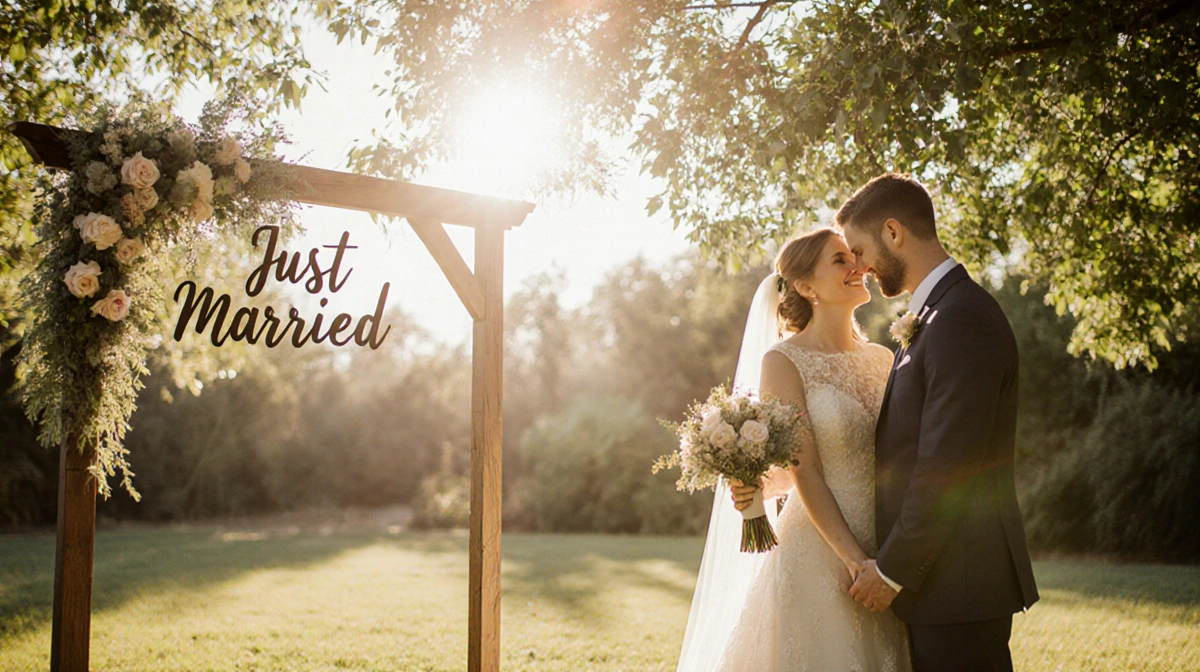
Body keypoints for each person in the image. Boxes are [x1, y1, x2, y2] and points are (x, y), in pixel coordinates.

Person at [675, 227, 911, 672]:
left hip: (886, 546)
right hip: (823, 555)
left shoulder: (884, 358)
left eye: (854, 257)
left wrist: (888, 562)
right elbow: (806, 471)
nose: (858, 266)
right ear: (805, 287)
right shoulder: (783, 361)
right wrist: (857, 563)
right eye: (840, 260)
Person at [838, 174, 1039, 672]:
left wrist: (890, 571)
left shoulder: (960, 317)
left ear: (892, 232)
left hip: (961, 582)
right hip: (944, 585)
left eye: (859, 251)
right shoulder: (935, 312)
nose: (859, 269)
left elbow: (949, 462)